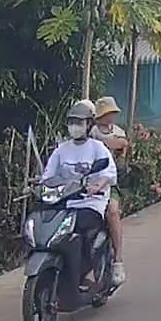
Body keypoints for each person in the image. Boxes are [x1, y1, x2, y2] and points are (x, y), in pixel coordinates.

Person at [41, 99, 119, 287]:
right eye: (71, 122)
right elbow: (48, 176)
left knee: (80, 228)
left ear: (89, 124)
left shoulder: (97, 148)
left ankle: (87, 270)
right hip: (65, 203)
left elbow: (109, 172)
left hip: (91, 202)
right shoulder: (61, 150)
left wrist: (98, 184)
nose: (74, 126)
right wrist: (41, 185)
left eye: (79, 122)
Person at [92, 96, 128, 285]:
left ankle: (118, 261)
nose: (111, 116)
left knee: (113, 211)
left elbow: (122, 144)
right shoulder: (91, 132)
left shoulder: (117, 131)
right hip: (88, 183)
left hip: (110, 182)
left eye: (113, 113)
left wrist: (106, 143)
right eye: (108, 113)